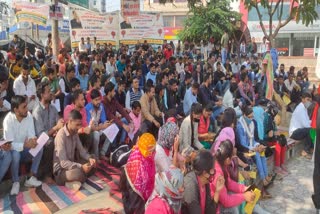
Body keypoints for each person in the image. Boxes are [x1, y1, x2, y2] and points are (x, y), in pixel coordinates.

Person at [3, 95, 43, 195]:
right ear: (16, 109)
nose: (27, 109)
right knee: (15, 154)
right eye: (24, 107)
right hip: (13, 152)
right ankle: (15, 182)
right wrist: (25, 145)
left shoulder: (28, 115)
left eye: (26, 106)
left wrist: (33, 140)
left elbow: (31, 134)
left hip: (25, 150)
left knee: (39, 147)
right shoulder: (8, 120)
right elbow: (9, 145)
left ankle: (30, 177)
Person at [53, 109, 96, 190]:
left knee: (93, 160)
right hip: (62, 171)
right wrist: (81, 167)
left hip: (72, 165)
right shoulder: (60, 136)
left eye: (80, 125)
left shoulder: (75, 133)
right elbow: (63, 163)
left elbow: (82, 151)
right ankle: (74, 179)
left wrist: (90, 159)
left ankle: (75, 181)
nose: (79, 127)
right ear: (70, 121)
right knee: (79, 173)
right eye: (77, 125)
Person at [210, 140, 255, 213]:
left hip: (219, 200)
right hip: (213, 207)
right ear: (228, 159)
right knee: (233, 208)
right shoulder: (218, 174)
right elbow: (226, 201)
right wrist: (244, 196)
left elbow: (229, 182)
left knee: (237, 195)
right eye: (232, 157)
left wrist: (244, 188)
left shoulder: (220, 164)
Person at [33, 82, 64, 182]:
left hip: (52, 136)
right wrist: (55, 128)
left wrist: (59, 126)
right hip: (41, 140)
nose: (51, 93)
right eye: (48, 92)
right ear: (42, 95)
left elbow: (59, 122)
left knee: (64, 137)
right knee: (49, 143)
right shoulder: (37, 111)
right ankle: (47, 174)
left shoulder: (53, 108)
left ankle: (61, 169)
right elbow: (41, 135)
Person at [120, 133, 157, 214]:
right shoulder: (140, 166)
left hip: (129, 197)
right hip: (135, 198)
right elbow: (142, 187)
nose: (154, 152)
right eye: (152, 150)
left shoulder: (137, 151)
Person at [237, 106, 272, 187]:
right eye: (249, 117)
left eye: (252, 117)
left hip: (251, 147)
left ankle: (266, 176)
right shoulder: (240, 126)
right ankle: (263, 179)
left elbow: (254, 140)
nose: (251, 119)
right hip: (244, 150)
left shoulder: (252, 123)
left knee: (262, 151)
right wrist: (254, 149)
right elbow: (243, 144)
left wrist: (258, 145)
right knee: (256, 153)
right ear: (244, 115)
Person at [85, 89, 112, 160]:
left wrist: (107, 124)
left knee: (113, 129)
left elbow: (103, 119)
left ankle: (102, 153)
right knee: (96, 134)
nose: (98, 102)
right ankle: (96, 157)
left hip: (99, 127)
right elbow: (90, 126)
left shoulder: (101, 106)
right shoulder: (87, 108)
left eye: (99, 99)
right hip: (90, 131)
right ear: (92, 100)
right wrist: (102, 126)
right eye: (96, 100)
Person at [289, 92, 313, 158]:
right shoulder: (300, 109)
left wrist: (313, 123)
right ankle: (305, 151)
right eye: (307, 100)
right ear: (303, 99)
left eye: (310, 101)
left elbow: (307, 121)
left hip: (300, 130)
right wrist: (312, 125)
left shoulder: (304, 108)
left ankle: (311, 148)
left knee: (312, 129)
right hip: (294, 133)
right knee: (310, 130)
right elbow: (306, 125)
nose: (309, 102)